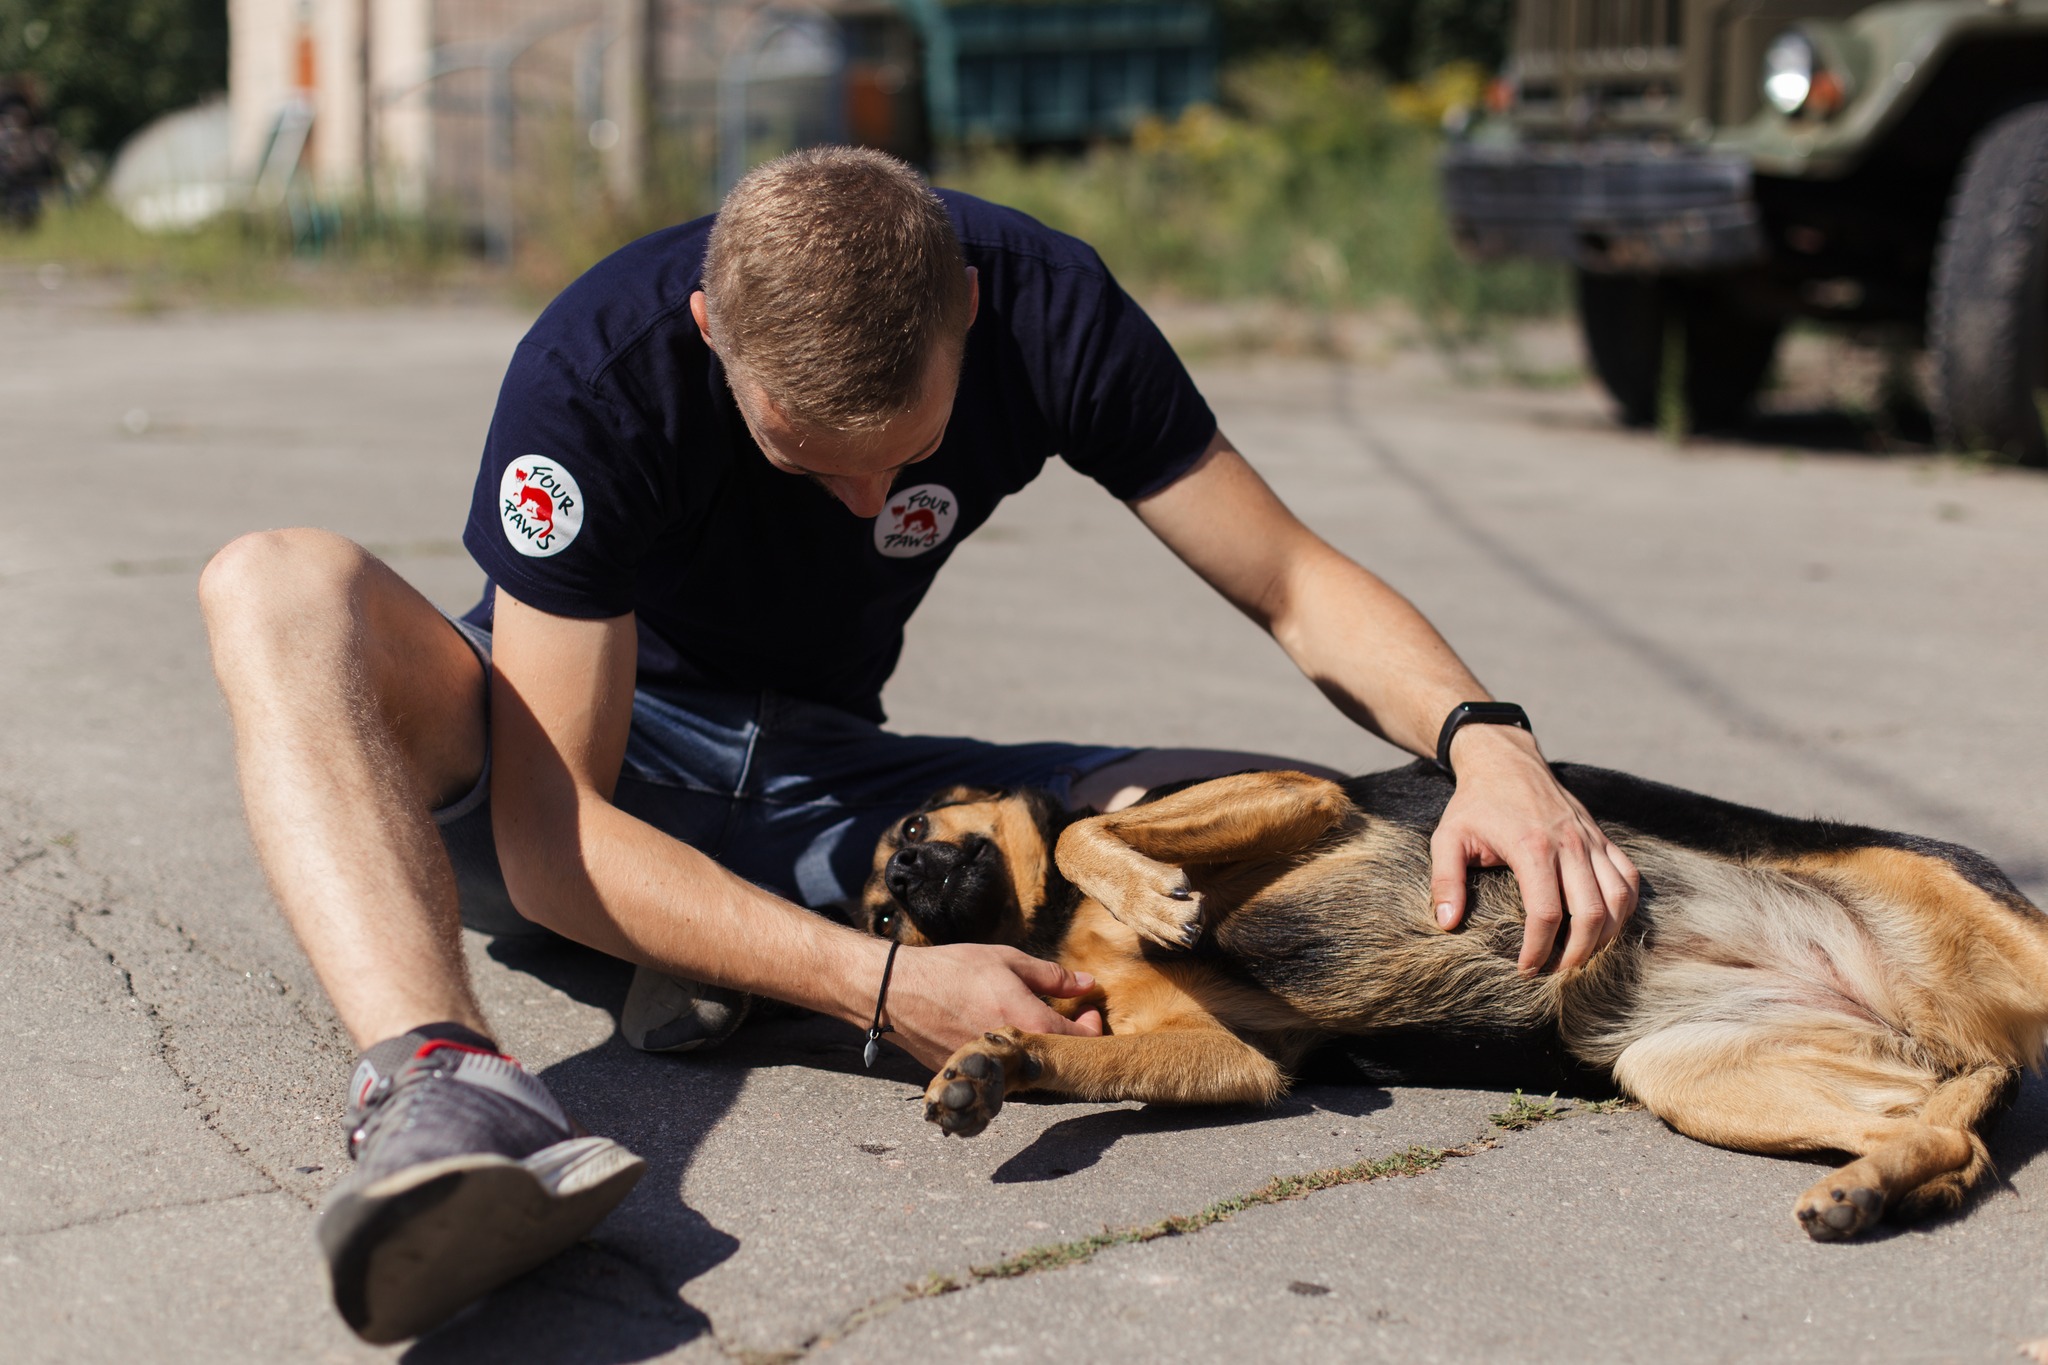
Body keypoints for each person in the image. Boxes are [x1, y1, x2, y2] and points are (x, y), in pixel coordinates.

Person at [198, 147, 1640, 1344]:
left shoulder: (1047, 303)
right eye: (811, 457)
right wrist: (882, 984)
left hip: (830, 774)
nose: (864, 495)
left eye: (900, 452)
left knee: (1273, 819)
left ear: (964, 308)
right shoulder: (599, 368)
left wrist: (1488, 743)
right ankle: (442, 1078)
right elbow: (548, 833)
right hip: (569, 751)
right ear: (712, 330)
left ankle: (712, 946)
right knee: (271, 579)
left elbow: (1289, 580)